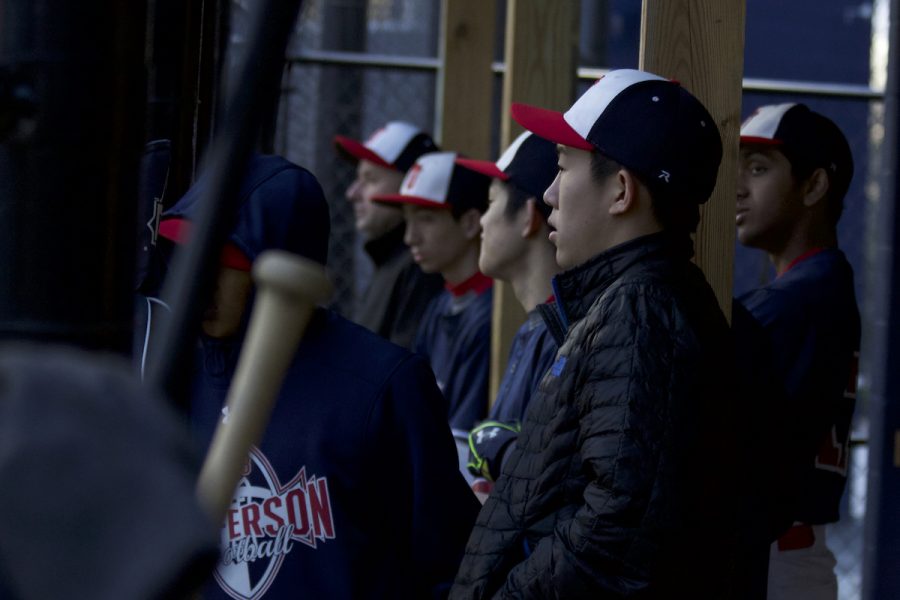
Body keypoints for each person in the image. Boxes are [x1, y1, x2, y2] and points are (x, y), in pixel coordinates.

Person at [450, 68, 738, 598]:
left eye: (562, 167)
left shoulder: (642, 311)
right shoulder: (633, 300)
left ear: (621, 191)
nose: (550, 192)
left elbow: (613, 532)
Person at [157, 153, 480, 599]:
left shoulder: (381, 385)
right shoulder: (163, 376)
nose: (201, 278)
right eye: (190, 252)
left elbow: (451, 566)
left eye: (227, 259)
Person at [735, 103, 860, 600]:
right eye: (738, 169)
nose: (739, 187)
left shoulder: (795, 301)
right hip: (791, 554)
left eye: (759, 169)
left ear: (813, 186)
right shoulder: (821, 283)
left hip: (774, 561)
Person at [454, 132, 561, 493]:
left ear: (529, 216)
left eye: (490, 203)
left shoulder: (562, 332)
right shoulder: (536, 325)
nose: (483, 222)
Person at [374, 151, 493, 433]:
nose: (409, 237)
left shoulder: (489, 315)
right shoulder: (440, 303)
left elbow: (461, 435)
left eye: (426, 219)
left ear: (469, 223)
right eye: (407, 219)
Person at [334, 121, 444, 348]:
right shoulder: (390, 259)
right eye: (358, 179)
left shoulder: (420, 266)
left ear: (411, 185)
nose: (352, 193)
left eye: (370, 180)